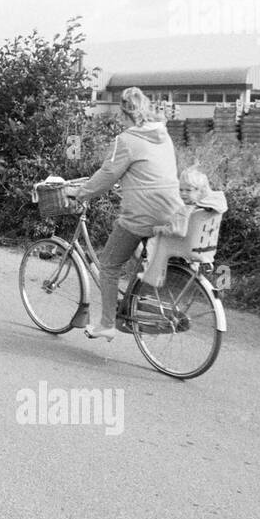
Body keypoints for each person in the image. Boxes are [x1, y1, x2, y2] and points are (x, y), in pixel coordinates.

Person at [70, 87, 181, 341]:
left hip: (143, 214)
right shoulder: (163, 135)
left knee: (108, 265)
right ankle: (135, 305)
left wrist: (81, 193)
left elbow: (107, 175)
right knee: (136, 256)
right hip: (172, 211)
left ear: (123, 112)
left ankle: (107, 324)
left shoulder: (126, 140)